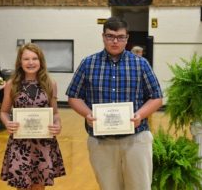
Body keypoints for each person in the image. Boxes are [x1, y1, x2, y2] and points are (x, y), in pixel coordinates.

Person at [66, 17, 163, 190]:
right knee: (108, 187)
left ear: (127, 38)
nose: (115, 41)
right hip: (101, 141)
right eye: (110, 36)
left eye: (120, 37)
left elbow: (156, 97)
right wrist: (87, 113)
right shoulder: (88, 64)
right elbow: (73, 96)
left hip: (136, 138)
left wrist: (140, 115)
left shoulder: (141, 64)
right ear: (103, 36)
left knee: (140, 186)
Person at [0, 43, 65, 190]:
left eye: (34, 58)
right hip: (20, 144)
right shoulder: (12, 84)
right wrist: (7, 123)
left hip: (43, 143)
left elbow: (55, 113)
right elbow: (4, 112)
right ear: (20, 62)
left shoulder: (50, 83)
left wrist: (58, 124)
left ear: (41, 61)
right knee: (22, 186)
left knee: (38, 186)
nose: (30, 62)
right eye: (26, 59)